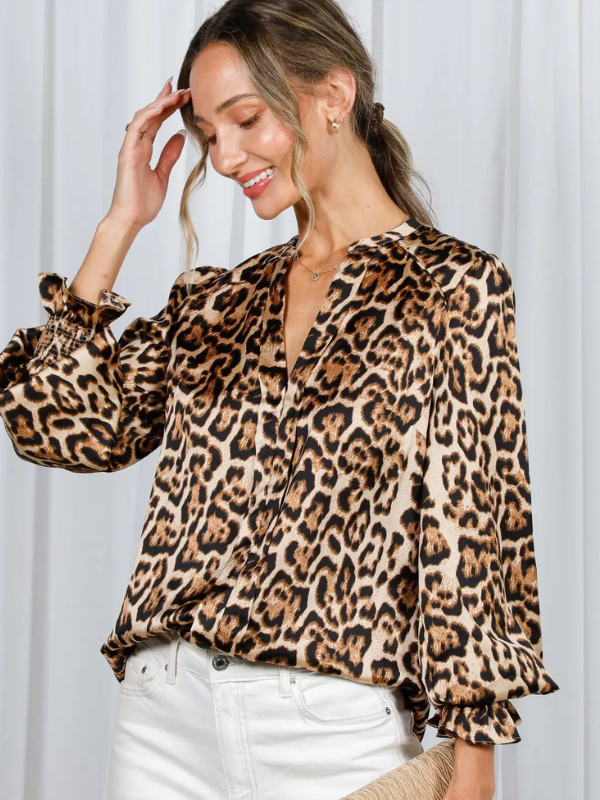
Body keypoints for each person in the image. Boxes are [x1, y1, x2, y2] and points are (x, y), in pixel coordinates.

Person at [0, 1, 559, 799]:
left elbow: (470, 530)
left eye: (245, 120)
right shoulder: (219, 302)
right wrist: (120, 223)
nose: (223, 157)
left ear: (334, 93)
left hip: (330, 726)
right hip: (165, 718)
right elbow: (56, 429)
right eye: (207, 136)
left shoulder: (453, 288)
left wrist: (473, 757)